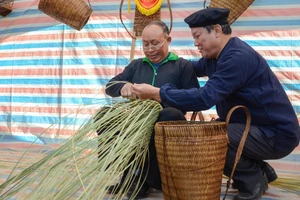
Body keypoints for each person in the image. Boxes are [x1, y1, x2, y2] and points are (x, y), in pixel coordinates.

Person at [131, 7, 300, 200]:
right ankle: (261, 169)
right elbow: (186, 68)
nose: (195, 44)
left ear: (217, 30)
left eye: (197, 36)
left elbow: (205, 98)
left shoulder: (237, 57)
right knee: (215, 129)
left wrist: (158, 93)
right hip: (252, 127)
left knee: (212, 138)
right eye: (146, 45)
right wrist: (161, 62)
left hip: (276, 134)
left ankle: (253, 180)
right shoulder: (215, 57)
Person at [104, 20, 200, 199]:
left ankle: (145, 179)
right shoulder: (137, 65)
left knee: (169, 114)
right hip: (137, 118)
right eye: (145, 44)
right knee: (106, 114)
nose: (150, 49)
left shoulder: (182, 66)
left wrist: (159, 96)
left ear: (168, 40)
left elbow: (194, 99)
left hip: (167, 123)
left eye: (155, 43)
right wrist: (123, 86)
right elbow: (110, 86)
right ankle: (125, 173)